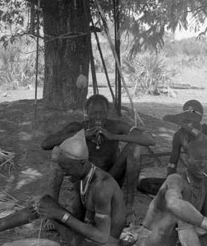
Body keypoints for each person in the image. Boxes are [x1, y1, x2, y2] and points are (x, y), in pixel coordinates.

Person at [41, 94, 156, 225]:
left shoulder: (116, 126)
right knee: (56, 153)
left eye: (102, 113)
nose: (98, 117)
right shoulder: (78, 127)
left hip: (112, 175)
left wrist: (113, 137)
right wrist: (82, 135)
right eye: (94, 113)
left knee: (134, 148)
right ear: (87, 113)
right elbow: (46, 144)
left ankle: (128, 208)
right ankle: (52, 211)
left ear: (108, 112)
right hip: (85, 180)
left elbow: (150, 140)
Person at [163, 99, 207, 183]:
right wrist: (170, 173)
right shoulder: (179, 135)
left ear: (200, 118)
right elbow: (174, 156)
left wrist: (192, 130)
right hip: (195, 167)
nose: (189, 118)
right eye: (186, 115)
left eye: (193, 115)